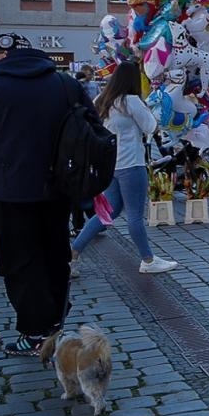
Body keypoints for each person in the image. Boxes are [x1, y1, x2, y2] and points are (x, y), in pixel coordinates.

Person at [0, 33, 100, 356]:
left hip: (9, 190)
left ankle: (35, 330)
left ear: (3, 56)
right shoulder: (64, 83)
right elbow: (92, 127)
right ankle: (54, 317)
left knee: (19, 261)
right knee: (54, 253)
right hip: (57, 187)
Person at [71, 60, 179, 276]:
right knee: (135, 215)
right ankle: (148, 259)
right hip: (132, 163)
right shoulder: (131, 101)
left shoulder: (102, 100)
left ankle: (73, 251)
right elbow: (151, 126)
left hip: (110, 165)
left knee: (107, 213)